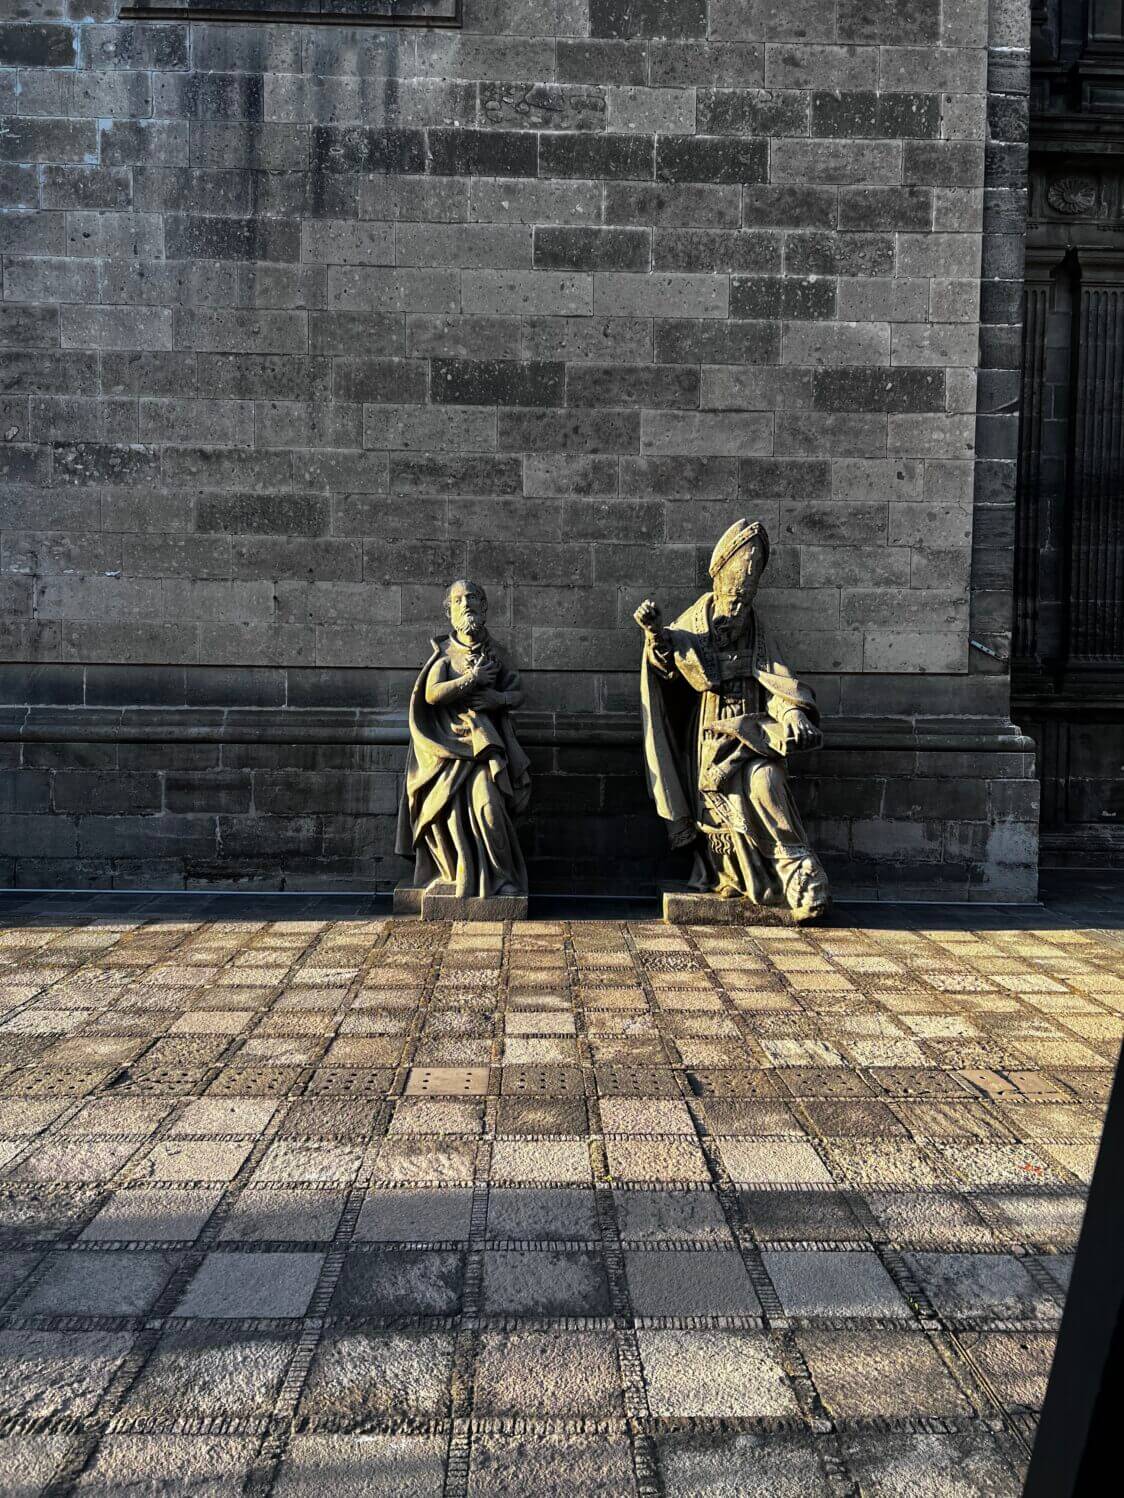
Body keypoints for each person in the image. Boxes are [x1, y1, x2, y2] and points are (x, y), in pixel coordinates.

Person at [635, 518, 830, 921]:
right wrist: (654, 635)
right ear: (718, 579)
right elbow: (669, 661)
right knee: (719, 805)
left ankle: (792, 875)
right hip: (709, 735)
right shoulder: (695, 621)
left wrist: (793, 713)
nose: (738, 605)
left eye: (748, 594)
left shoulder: (759, 631)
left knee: (767, 782)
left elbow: (781, 681)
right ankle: (734, 875)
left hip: (756, 735)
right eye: (734, 593)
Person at [396, 579, 530, 898]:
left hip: (483, 752)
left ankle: (501, 878)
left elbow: (518, 693)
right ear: (450, 612)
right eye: (458, 600)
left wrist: (499, 700)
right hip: (444, 753)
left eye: (472, 598)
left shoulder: (498, 653)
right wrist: (471, 680)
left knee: (489, 809)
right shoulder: (443, 654)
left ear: (483, 607)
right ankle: (453, 874)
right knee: (448, 816)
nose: (465, 603)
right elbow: (430, 694)